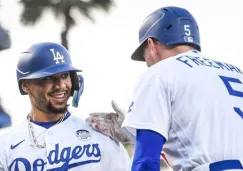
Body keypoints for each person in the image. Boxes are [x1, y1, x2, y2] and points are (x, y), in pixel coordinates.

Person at [88, 6, 243, 171]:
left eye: (144, 54)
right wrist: (134, 130)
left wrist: (144, 129)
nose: (147, 62)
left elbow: (146, 161)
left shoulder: (159, 73)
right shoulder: (236, 72)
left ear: (152, 44)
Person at [0, 42, 131, 171]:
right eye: (48, 78)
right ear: (26, 86)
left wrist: (137, 137)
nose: (61, 85)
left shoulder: (99, 134)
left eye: (64, 76)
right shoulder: (5, 145)